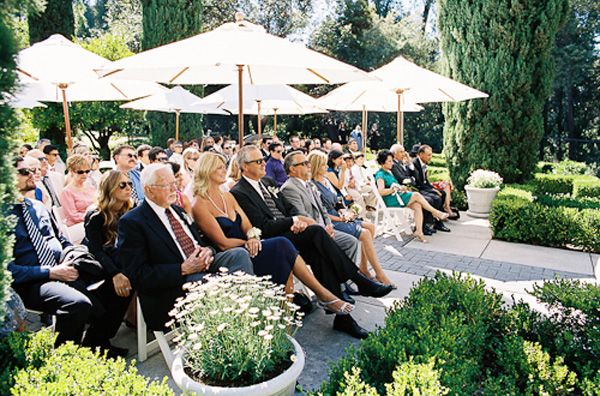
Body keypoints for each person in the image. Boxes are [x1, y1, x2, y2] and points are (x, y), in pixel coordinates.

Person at [230, 146, 394, 339]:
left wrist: (296, 220)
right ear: (244, 166)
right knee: (316, 232)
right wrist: (293, 222)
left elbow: (288, 208)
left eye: (263, 159)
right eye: (258, 161)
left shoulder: (267, 181)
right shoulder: (239, 191)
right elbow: (263, 226)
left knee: (320, 255)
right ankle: (358, 280)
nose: (264, 163)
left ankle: (344, 318)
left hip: (292, 232)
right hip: (275, 241)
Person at [192, 152, 353, 314]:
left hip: (253, 245)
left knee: (311, 246)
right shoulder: (199, 205)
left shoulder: (227, 196)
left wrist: (252, 237)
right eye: (219, 168)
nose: (224, 170)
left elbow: (248, 226)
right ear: (207, 171)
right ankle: (329, 292)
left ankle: (329, 298)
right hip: (235, 255)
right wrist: (249, 242)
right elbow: (222, 243)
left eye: (223, 166)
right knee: (285, 243)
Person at [117, 163, 254, 332]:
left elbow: (199, 244)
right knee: (215, 284)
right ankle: (236, 326)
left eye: (174, 182)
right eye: (167, 185)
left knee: (238, 255)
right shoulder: (132, 222)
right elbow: (138, 274)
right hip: (174, 285)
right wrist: (182, 269)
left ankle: (245, 314)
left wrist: (208, 251)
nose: (174, 188)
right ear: (149, 190)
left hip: (201, 267)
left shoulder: (177, 210)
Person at [9, 157, 100, 350]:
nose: (32, 175)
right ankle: (63, 359)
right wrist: (50, 272)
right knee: (77, 304)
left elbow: (62, 240)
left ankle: (98, 343)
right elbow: (6, 271)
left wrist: (69, 257)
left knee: (116, 281)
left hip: (62, 269)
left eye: (32, 171)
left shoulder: (38, 207)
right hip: (30, 282)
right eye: (25, 172)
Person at [305, 150, 394, 286]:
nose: (326, 168)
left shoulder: (326, 181)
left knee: (370, 227)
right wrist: (341, 218)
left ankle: (364, 267)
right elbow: (320, 212)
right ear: (316, 166)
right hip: (331, 221)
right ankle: (379, 273)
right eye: (323, 165)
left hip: (338, 215)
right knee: (364, 234)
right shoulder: (312, 185)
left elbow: (337, 201)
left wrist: (344, 212)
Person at [83, 170, 134, 355]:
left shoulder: (128, 210)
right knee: (121, 286)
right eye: (122, 185)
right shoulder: (95, 215)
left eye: (129, 183)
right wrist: (115, 274)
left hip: (121, 261)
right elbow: (96, 251)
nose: (128, 187)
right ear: (110, 188)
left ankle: (103, 337)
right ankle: (96, 340)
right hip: (100, 264)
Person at [375, 150, 448, 243]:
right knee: (416, 195)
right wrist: (394, 189)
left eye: (392, 160)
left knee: (417, 205)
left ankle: (419, 232)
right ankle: (435, 212)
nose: (392, 163)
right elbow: (380, 191)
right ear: (382, 162)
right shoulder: (380, 174)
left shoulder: (389, 172)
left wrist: (401, 188)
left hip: (397, 196)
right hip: (390, 199)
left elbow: (395, 186)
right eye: (389, 161)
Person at [412, 145, 451, 232]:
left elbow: (426, 181)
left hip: (423, 187)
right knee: (435, 197)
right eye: (428, 155)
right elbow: (418, 182)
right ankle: (425, 224)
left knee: (442, 193)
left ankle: (438, 223)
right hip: (417, 189)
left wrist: (434, 188)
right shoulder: (414, 164)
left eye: (431, 155)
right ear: (421, 155)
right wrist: (432, 190)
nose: (430, 157)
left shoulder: (423, 164)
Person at [60, 154, 96, 226]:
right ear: (71, 171)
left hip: (93, 222)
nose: (84, 174)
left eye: (87, 171)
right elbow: (73, 216)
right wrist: (93, 217)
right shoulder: (66, 192)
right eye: (80, 172)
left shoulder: (91, 188)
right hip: (78, 227)